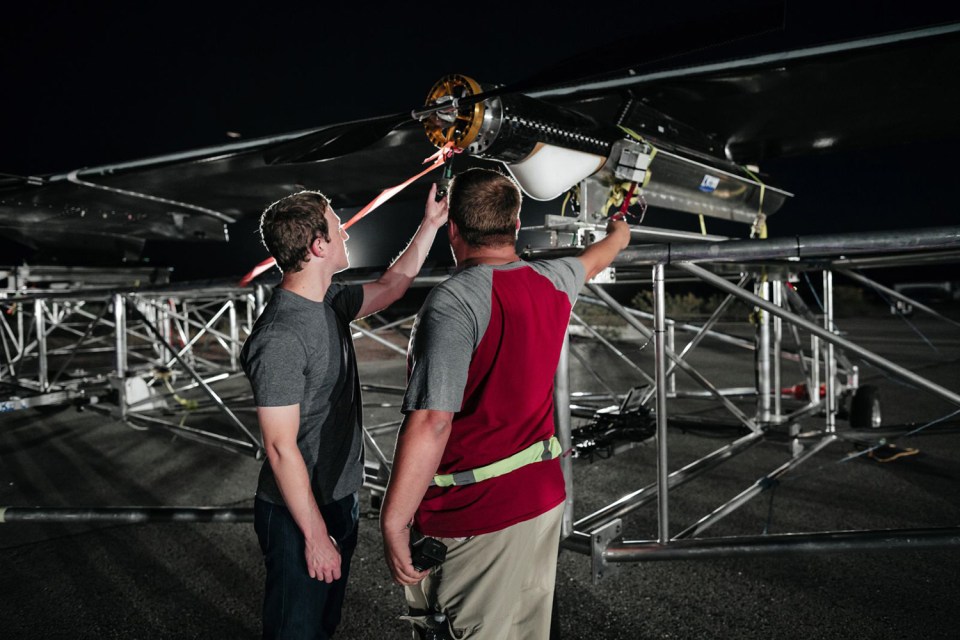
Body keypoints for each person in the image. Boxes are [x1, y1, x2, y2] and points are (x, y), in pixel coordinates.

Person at [380, 168, 631, 639]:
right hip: (540, 501)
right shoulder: (554, 278)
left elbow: (434, 421)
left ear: (453, 229)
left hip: (478, 513)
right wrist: (620, 232)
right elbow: (594, 260)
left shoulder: (455, 301)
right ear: (515, 226)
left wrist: (394, 522)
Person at [241, 185, 448, 639]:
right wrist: (315, 538)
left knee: (324, 624)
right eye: (338, 229)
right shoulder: (280, 336)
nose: (346, 236)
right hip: (299, 513)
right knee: (295, 631)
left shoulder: (330, 301)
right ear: (318, 246)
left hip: (338, 497)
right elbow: (279, 449)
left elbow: (394, 286)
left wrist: (430, 225)